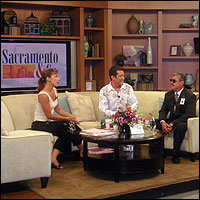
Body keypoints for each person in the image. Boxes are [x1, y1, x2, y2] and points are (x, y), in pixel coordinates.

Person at [31, 68, 83, 169]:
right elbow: (49, 116)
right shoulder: (43, 95)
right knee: (68, 126)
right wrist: (67, 119)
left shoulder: (54, 90)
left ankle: (81, 150)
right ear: (48, 79)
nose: (59, 79)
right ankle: (54, 157)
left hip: (49, 122)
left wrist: (70, 116)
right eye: (56, 76)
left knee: (70, 127)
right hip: (40, 124)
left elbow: (58, 109)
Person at [155, 73, 196, 164]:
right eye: (170, 80)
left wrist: (172, 124)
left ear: (181, 83)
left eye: (174, 81)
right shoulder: (168, 95)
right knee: (155, 123)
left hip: (182, 120)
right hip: (172, 119)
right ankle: (157, 153)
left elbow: (189, 114)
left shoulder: (190, 96)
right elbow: (163, 111)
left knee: (181, 127)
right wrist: (163, 122)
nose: (171, 83)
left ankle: (175, 154)